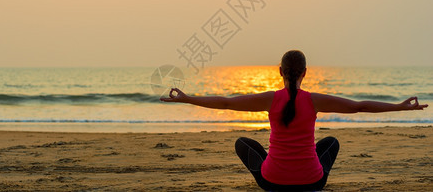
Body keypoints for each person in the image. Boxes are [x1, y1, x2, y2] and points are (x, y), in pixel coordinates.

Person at [160, 50, 428, 191]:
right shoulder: (314, 100)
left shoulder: (270, 99)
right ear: (305, 73)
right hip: (312, 182)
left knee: (243, 142)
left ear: (280, 72)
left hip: (272, 182)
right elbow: (359, 107)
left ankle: (278, 175)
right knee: (331, 143)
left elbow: (227, 102)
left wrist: (187, 98)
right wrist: (400, 107)